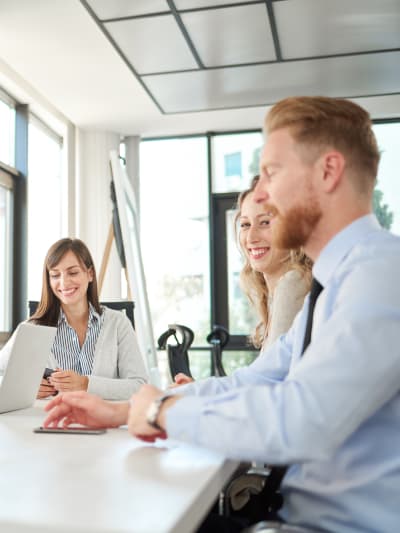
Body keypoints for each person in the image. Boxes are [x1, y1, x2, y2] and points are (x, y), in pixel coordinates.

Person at [43, 97, 400, 533]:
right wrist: (127, 410)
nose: (262, 194)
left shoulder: (381, 275)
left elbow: (301, 418)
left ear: (328, 171)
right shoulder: (327, 292)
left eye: (272, 172)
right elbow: (254, 380)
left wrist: (162, 414)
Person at [174, 176, 311, 389]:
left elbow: (267, 386)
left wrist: (196, 394)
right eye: (245, 224)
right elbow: (260, 379)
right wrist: (198, 390)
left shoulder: (292, 284)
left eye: (265, 222)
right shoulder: (277, 291)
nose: (251, 237)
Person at [0, 238, 148, 400]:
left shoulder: (118, 323)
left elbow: (139, 386)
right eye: (55, 275)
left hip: (103, 422)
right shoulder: (32, 328)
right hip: (47, 422)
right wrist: (23, 388)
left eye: (73, 272)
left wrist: (86, 384)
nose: (64, 283)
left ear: (90, 274)